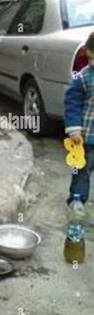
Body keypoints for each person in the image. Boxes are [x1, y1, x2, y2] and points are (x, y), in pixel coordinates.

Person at [65, 32, 94, 205]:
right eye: (90, 58)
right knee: (81, 172)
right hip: (86, 138)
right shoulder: (84, 76)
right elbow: (72, 102)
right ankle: (77, 204)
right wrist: (74, 128)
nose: (92, 63)